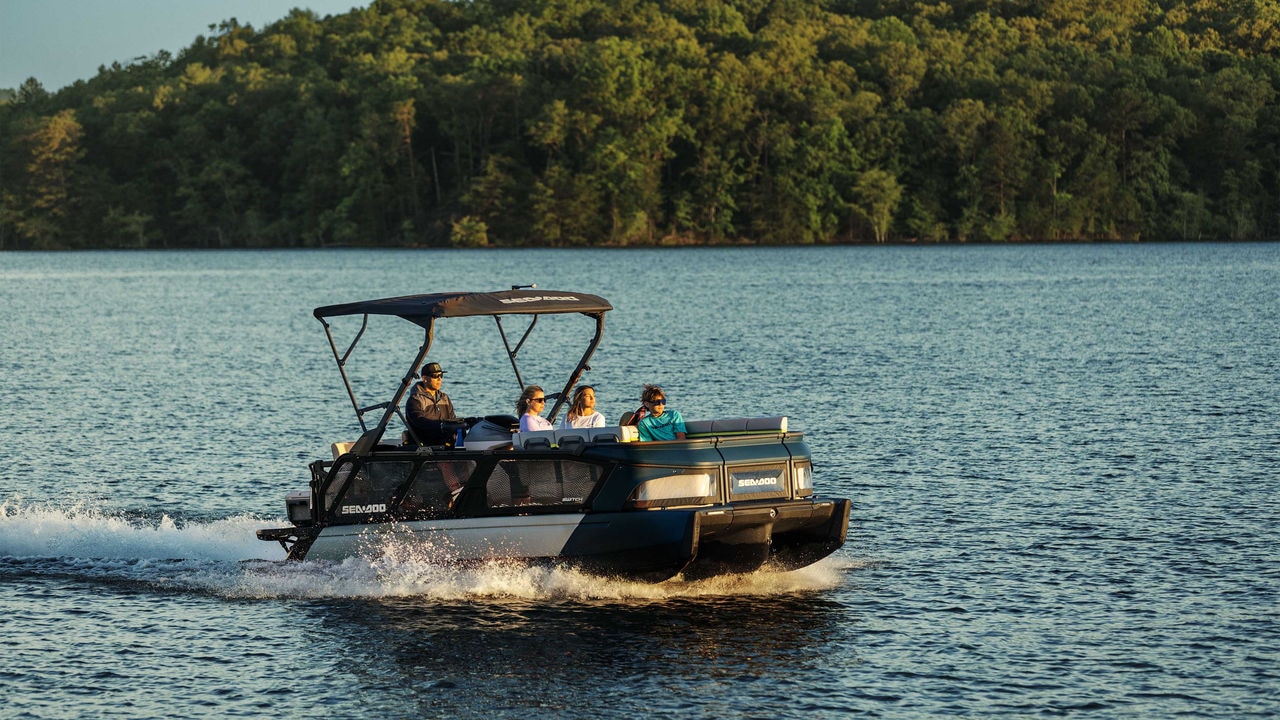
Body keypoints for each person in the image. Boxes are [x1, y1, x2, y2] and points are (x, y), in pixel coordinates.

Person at [405, 362, 461, 445]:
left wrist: (461, 424)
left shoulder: (444, 398)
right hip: (425, 446)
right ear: (424, 378)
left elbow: (452, 419)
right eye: (435, 376)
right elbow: (419, 422)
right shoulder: (415, 400)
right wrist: (441, 426)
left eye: (441, 375)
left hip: (445, 444)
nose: (439, 379)